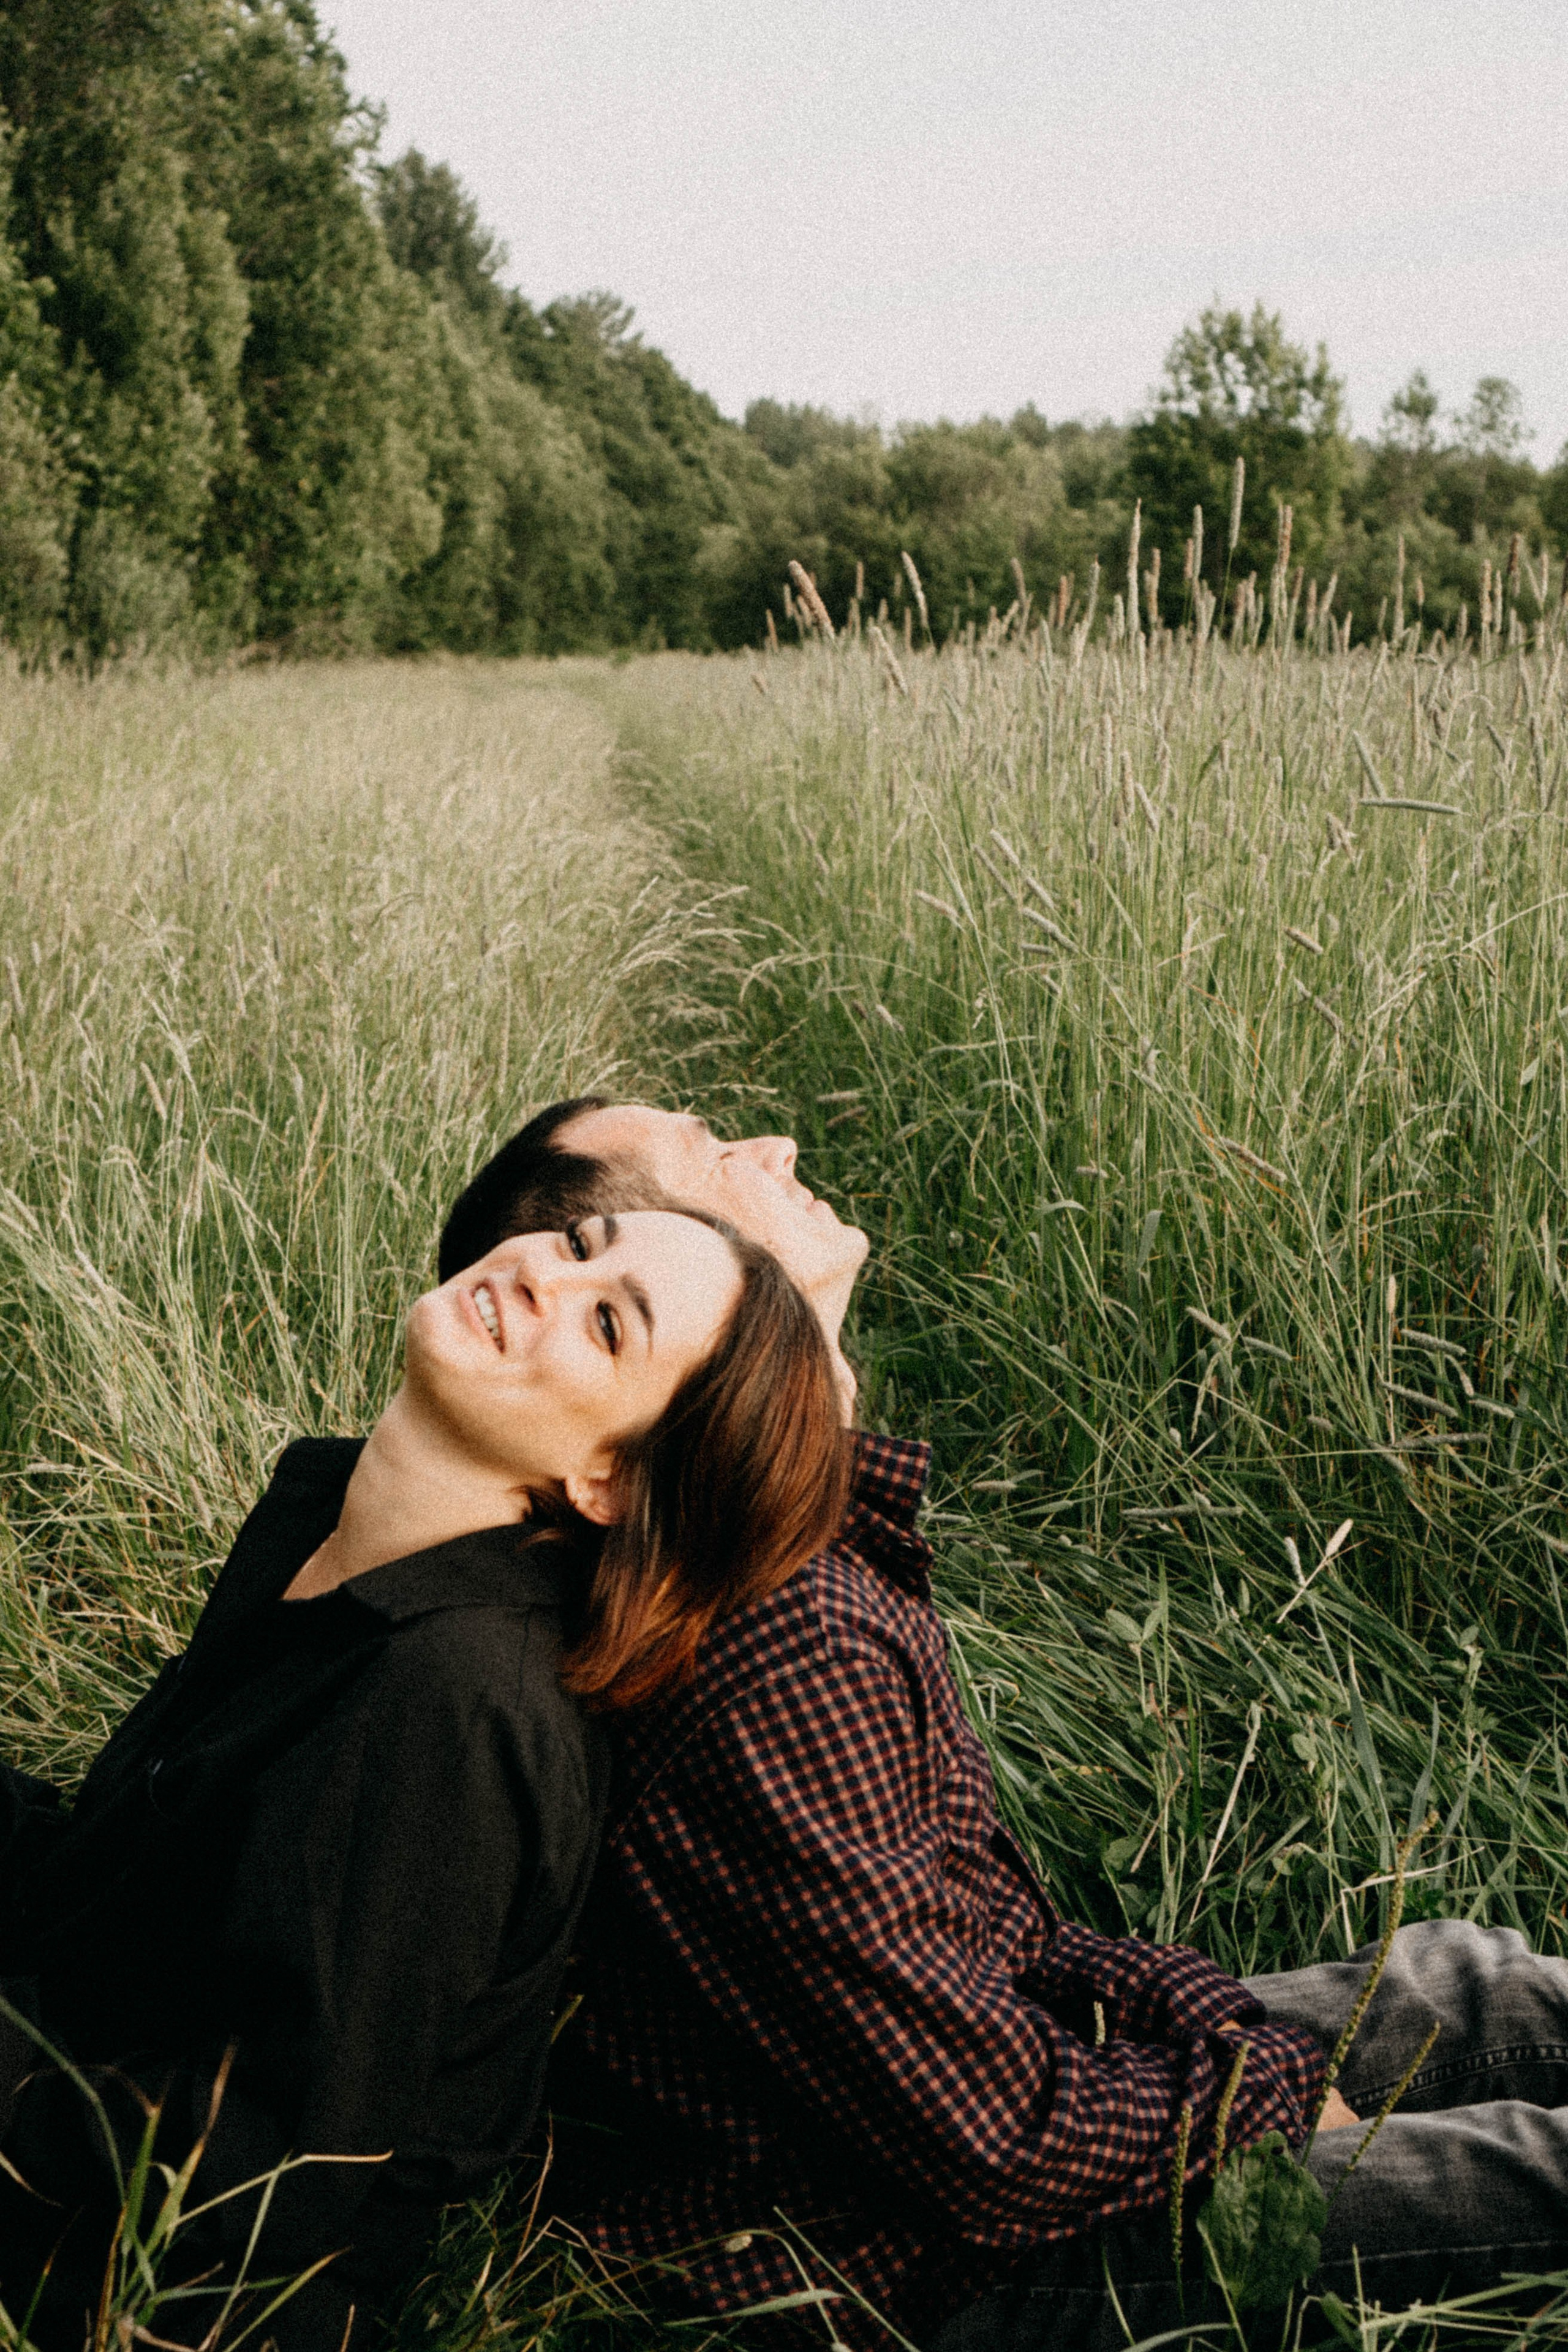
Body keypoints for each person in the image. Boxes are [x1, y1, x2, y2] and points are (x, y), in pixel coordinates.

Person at [445, 1098, 1568, 2349]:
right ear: (683, 1274)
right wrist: (1264, 2099)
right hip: (914, 2273)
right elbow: (990, 2146)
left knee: (1469, 1986)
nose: (779, 1152)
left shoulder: (794, 1548)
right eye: (717, 1158)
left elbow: (996, 1953)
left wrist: (1242, 2054)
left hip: (968, 2116)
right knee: (1533, 2169)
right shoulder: (770, 1638)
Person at [0, 1206, 848, 2352]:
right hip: (80, 2030)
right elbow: (129, 1869)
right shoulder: (331, 1509)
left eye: (608, 1322)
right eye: (583, 1239)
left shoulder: (457, 1697)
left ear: (610, 1480)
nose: (547, 1271)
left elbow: (259, 2180)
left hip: (158, 2269)